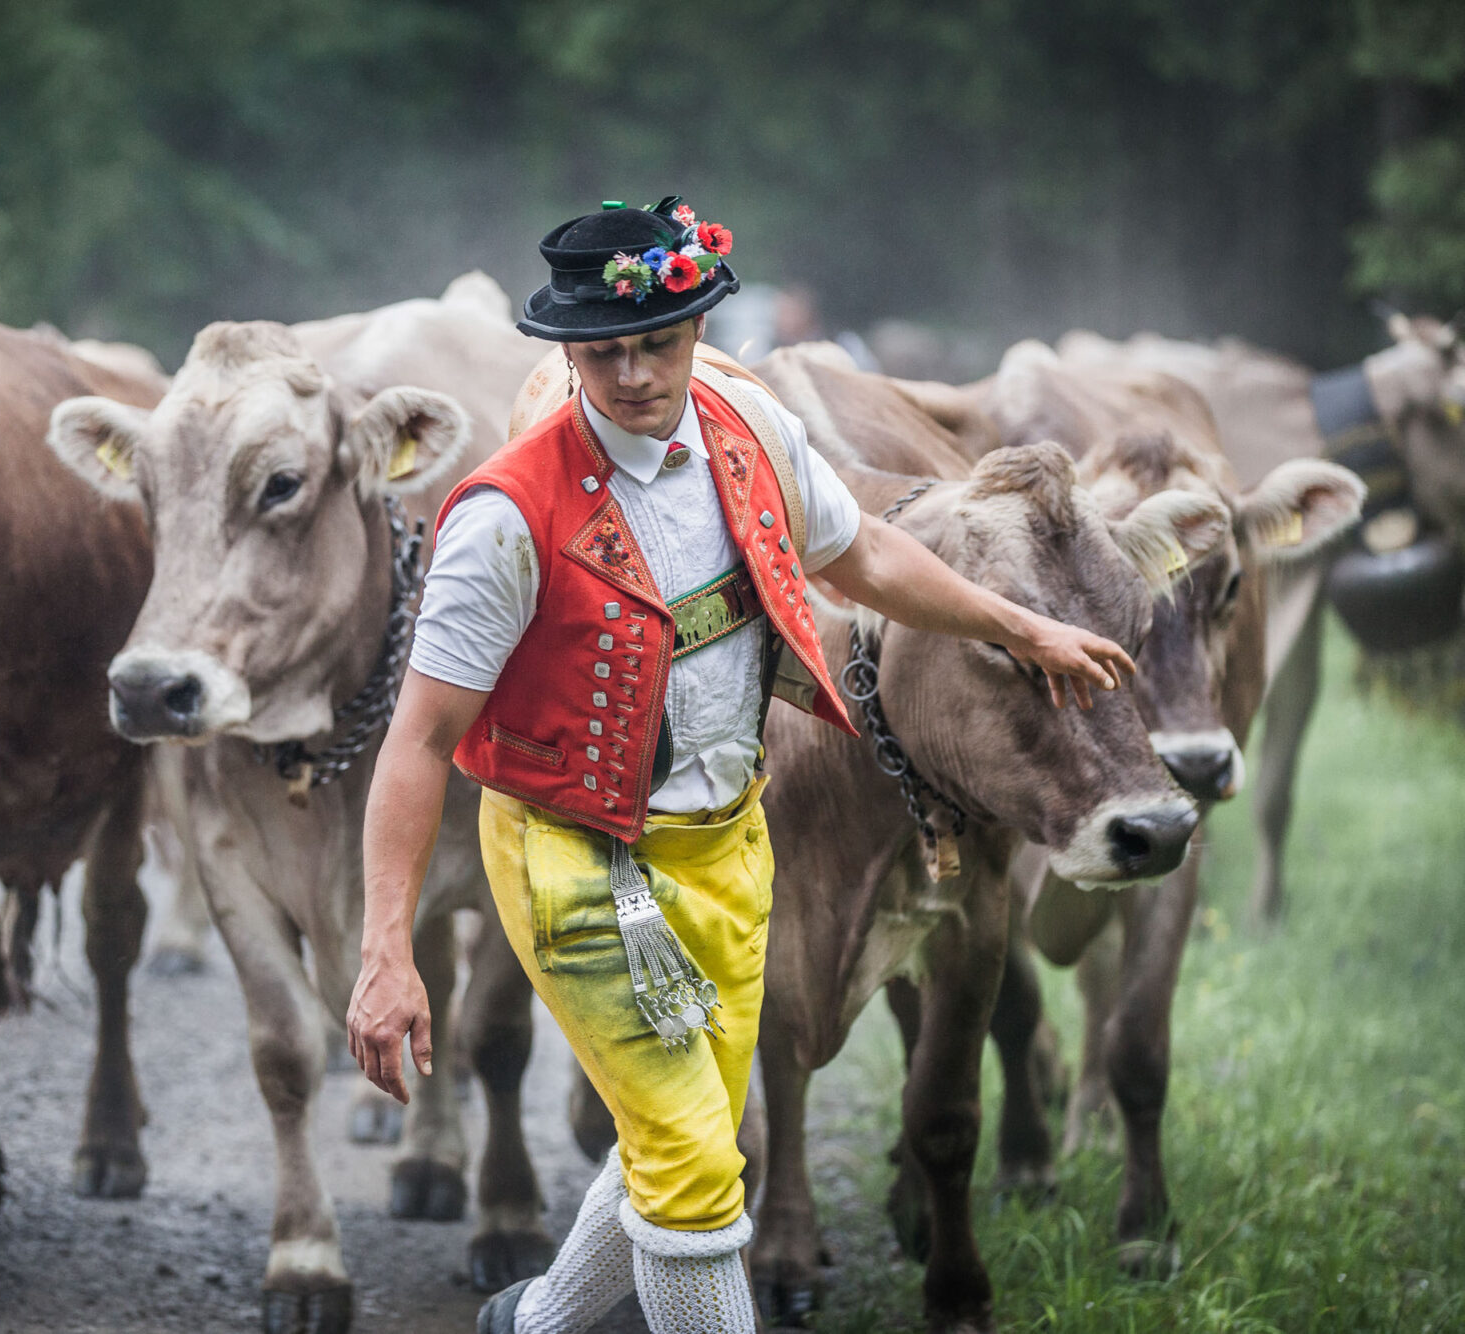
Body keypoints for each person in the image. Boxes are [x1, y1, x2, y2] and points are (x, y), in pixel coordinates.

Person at [346, 198, 1134, 1334]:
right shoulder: (501, 517)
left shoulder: (747, 426)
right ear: (567, 350)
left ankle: (534, 1324)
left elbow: (858, 551)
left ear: (698, 330)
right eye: (603, 350)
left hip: (728, 839)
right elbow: (416, 740)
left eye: (656, 342)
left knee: (689, 1142)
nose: (630, 373)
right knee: (702, 1184)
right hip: (575, 858)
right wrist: (385, 951)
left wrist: (1016, 626)